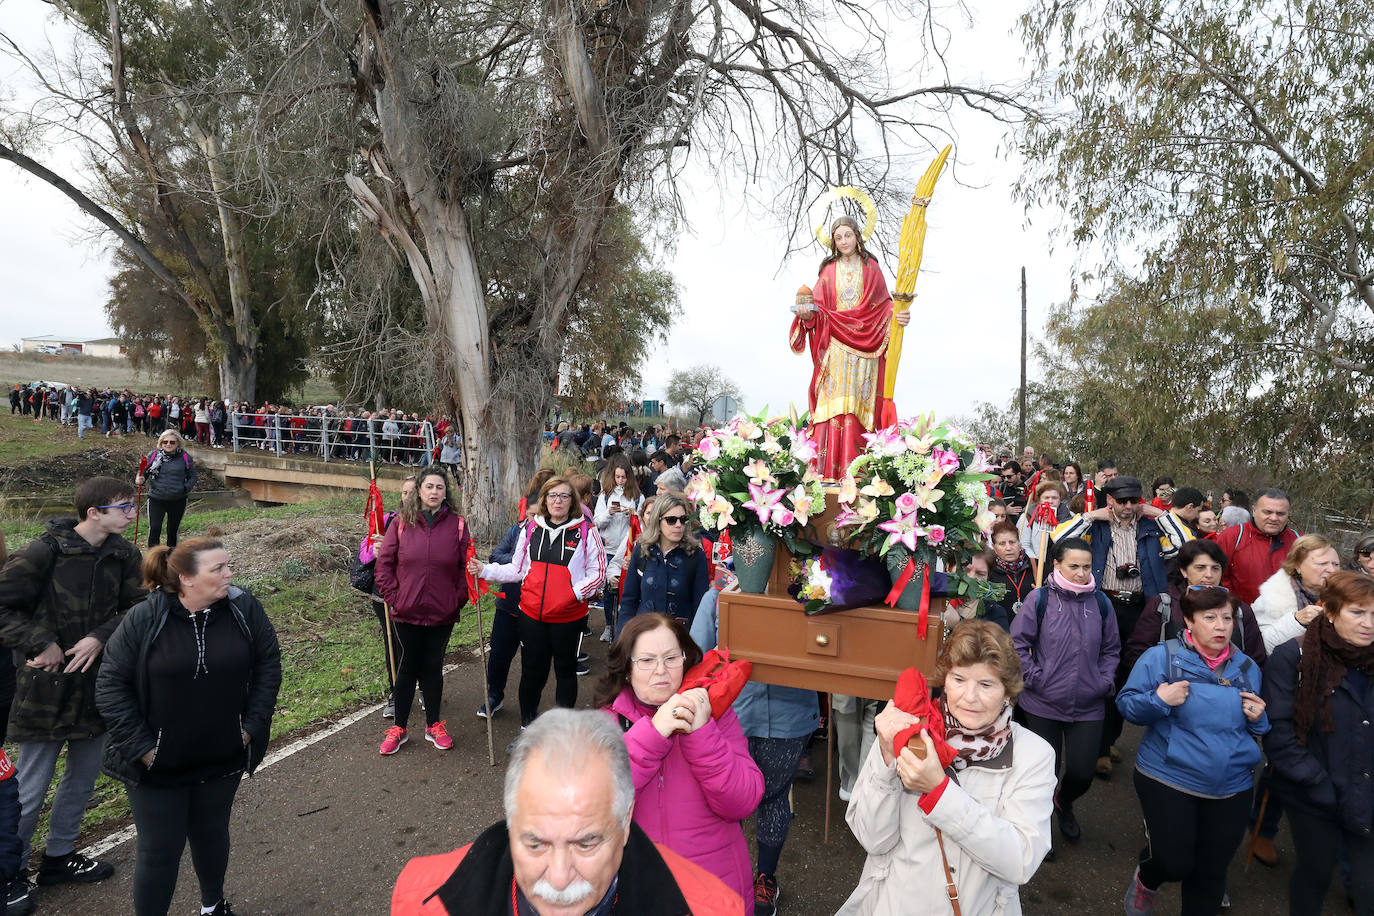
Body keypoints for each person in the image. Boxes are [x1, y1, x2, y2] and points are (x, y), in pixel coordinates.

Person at [391, 708, 744, 915]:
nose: (558, 879)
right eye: (536, 844)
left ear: (625, 822)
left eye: (585, 844)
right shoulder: (420, 901)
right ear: (511, 823)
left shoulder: (711, 908)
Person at [95, 538, 281, 916]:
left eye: (229, 565)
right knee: (159, 849)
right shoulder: (145, 618)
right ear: (186, 578)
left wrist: (250, 727)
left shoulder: (244, 607)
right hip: (158, 764)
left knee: (212, 835)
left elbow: (268, 664)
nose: (230, 574)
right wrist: (145, 749)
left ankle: (213, 905)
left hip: (222, 752)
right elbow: (111, 685)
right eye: (219, 569)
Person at [837, 621, 1055, 914]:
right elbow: (872, 839)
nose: (969, 697)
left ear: (1008, 691)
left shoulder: (1033, 755)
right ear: (945, 680)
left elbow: (1020, 861)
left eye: (986, 684)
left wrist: (940, 793)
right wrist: (887, 757)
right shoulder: (911, 731)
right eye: (959, 679)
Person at [0, 477, 145, 913]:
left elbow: (137, 606)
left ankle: (59, 857)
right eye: (125, 507)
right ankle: (12, 871)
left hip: (100, 684)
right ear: (94, 512)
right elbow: (3, 606)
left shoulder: (125, 554)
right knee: (30, 785)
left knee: (82, 778)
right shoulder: (44, 551)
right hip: (45, 689)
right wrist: (37, 642)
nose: (132, 513)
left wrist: (101, 636)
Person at [1117, 585, 1269, 915]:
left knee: (1211, 873)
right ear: (1189, 621)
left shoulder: (1246, 669)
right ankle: (1147, 877)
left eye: (1227, 618)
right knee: (1174, 863)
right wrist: (1159, 700)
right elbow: (1127, 706)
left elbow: (1256, 725)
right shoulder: (1162, 657)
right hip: (1168, 776)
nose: (1221, 626)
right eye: (1210, 617)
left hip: (1231, 785)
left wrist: (1259, 720)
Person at [595, 614, 762, 911]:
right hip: (638, 892)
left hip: (714, 889)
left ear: (686, 660)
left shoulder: (714, 715)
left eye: (671, 658)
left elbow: (743, 801)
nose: (661, 670)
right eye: (646, 660)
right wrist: (653, 733)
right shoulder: (606, 723)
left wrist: (702, 734)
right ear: (627, 670)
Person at [1052, 475, 1191, 777]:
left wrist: (1163, 514)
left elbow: (1187, 545)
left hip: (1143, 609)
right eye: (1121, 501)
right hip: (1103, 606)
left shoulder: (1153, 527)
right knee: (1103, 672)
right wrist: (1089, 516)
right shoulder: (1096, 527)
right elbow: (1058, 541)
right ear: (1109, 501)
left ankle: (1109, 738)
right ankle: (1096, 746)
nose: (1128, 507)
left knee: (1130, 674)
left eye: (1133, 500)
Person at [690, 589, 817, 916]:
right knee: (722, 801)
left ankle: (765, 878)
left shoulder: (814, 593)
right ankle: (723, 874)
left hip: (790, 718)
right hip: (733, 716)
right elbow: (697, 654)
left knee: (774, 797)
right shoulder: (719, 594)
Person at [1261, 572, 1374, 915]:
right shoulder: (1295, 657)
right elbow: (1278, 729)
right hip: (1315, 793)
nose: (1369, 623)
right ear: (1330, 612)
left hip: (1366, 790)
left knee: (1368, 887)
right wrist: (1315, 781)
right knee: (1315, 874)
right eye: (1358, 612)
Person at [472, 477, 607, 729]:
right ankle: (527, 728)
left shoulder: (587, 531)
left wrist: (571, 594)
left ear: (572, 501)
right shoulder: (531, 529)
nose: (558, 500)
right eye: (552, 495)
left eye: (564, 496)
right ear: (544, 499)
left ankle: (561, 731)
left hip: (568, 618)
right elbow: (517, 569)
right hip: (532, 616)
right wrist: (484, 570)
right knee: (532, 673)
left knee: (565, 672)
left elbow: (598, 574)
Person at [1010, 537, 1119, 851]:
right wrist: (1036, 679)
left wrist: (1103, 681)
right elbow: (1017, 645)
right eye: (1074, 566)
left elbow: (1112, 649)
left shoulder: (1100, 603)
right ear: (1056, 564)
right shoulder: (1040, 599)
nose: (1081, 573)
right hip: (1042, 702)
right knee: (1045, 773)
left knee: (1083, 773)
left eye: (1086, 567)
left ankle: (1065, 802)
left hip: (1089, 704)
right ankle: (1039, 834)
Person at [788, 214, 910, 479]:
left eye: (848, 235)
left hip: (866, 351)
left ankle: (860, 476)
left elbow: (884, 305)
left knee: (858, 409)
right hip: (836, 348)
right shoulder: (829, 271)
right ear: (833, 241)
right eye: (838, 237)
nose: (843, 241)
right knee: (832, 406)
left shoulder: (871, 268)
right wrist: (807, 314)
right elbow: (818, 308)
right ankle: (826, 473)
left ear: (858, 236)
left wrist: (899, 315)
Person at [374, 468, 470, 755]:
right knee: (407, 666)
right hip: (407, 610)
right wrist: (396, 598)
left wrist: (457, 599)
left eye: (440, 487)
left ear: (446, 492)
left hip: (443, 612)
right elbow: (384, 565)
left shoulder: (458, 525)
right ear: (419, 490)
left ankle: (433, 725)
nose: (434, 492)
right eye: (429, 486)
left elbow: (467, 567)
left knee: (432, 666)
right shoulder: (401, 522)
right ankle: (399, 728)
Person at [1124, 538, 1266, 673]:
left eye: (1215, 568)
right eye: (1200, 568)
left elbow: (1256, 661)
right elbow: (1138, 655)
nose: (1209, 575)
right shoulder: (1163, 605)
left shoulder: (1239, 610)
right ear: (1184, 570)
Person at [359, 475, 417, 719]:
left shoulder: (431, 525)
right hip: (385, 596)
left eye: (413, 492)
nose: (408, 497)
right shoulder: (386, 520)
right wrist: (375, 551)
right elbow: (363, 556)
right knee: (393, 645)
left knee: (417, 645)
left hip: (417, 596)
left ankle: (423, 687)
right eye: (405, 492)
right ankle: (397, 693)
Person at [616, 494, 709, 637]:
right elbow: (629, 601)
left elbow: (700, 608)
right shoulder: (641, 550)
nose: (678, 525)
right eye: (671, 520)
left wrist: (695, 649)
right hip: (643, 636)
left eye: (683, 520)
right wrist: (622, 641)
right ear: (657, 521)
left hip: (680, 639)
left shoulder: (696, 556)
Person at [1253, 533, 1341, 656]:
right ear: (1297, 565)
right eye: (1322, 563)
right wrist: (1296, 621)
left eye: (1335, 564)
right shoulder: (1271, 597)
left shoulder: (1345, 598)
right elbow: (1260, 648)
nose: (1331, 570)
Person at [1218, 488, 1298, 604]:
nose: (1274, 518)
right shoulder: (1231, 537)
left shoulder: (1299, 542)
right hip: (1241, 614)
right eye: (1267, 512)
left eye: (1280, 514)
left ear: (1288, 514)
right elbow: (1219, 578)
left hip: (1288, 617)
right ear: (1254, 510)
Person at [594, 457, 644, 641]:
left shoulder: (637, 498)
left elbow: (642, 522)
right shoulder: (605, 495)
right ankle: (609, 626)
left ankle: (626, 629)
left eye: (623, 477)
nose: (620, 481)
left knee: (628, 590)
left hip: (629, 550)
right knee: (609, 590)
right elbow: (596, 521)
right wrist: (609, 512)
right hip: (610, 548)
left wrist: (630, 513)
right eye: (617, 477)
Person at [137, 431, 198, 549]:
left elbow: (193, 476)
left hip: (178, 499)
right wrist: (141, 479)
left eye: (172, 442)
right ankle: (153, 558)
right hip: (156, 498)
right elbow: (144, 472)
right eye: (165, 442)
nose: (168, 444)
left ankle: (171, 557)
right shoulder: (153, 455)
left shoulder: (185, 457)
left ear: (178, 443)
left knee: (172, 530)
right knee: (155, 528)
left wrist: (185, 488)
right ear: (161, 443)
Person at [987, 520, 1035, 620]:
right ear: (994, 547)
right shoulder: (989, 571)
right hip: (1002, 631)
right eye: (1002, 544)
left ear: (1019, 543)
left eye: (1012, 542)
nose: (1008, 548)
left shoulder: (1035, 567)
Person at [1018, 479, 1066, 566]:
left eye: (1054, 498)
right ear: (1039, 499)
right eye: (1046, 498)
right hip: (1035, 564)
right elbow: (1024, 545)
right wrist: (1035, 563)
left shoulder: (1067, 516)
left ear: (1060, 499)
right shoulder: (1028, 517)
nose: (1050, 501)